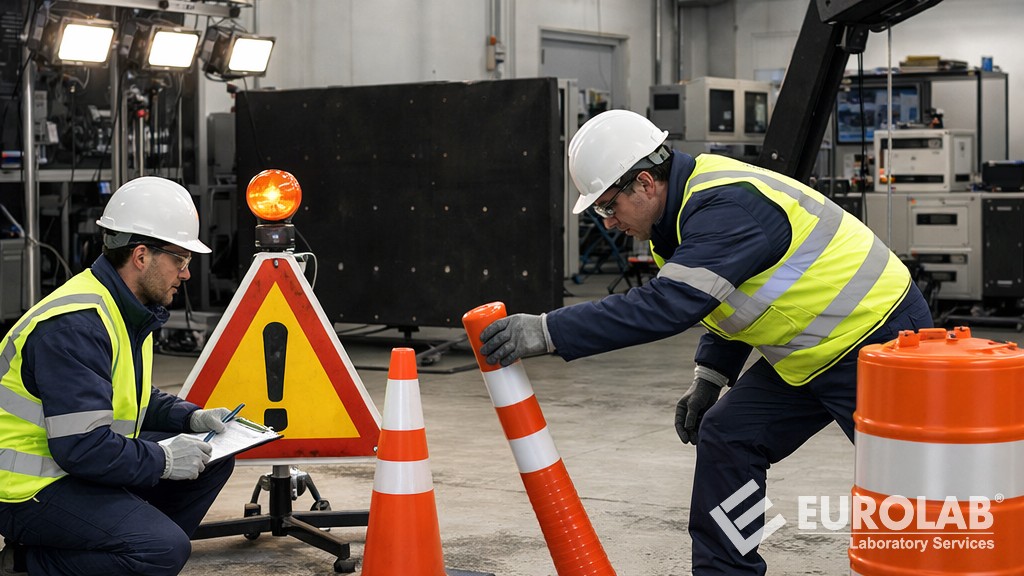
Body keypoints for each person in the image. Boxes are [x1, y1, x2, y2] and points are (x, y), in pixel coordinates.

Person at [478, 110, 933, 575]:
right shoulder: (675, 223)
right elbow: (731, 298)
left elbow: (669, 305)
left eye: (608, 206)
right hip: (811, 351)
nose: (609, 222)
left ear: (645, 183)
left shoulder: (726, 207)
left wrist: (548, 331)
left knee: (913, 483)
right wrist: (710, 376)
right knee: (728, 435)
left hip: (878, 337)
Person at [0, 177, 237, 575]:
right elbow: (83, 447)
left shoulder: (124, 308)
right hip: (26, 488)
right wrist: (163, 459)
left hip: (71, 464)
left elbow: (130, 394)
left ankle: (121, 545)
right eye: (180, 260)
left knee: (208, 458)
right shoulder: (76, 326)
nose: (186, 274)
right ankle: (25, 563)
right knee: (162, 550)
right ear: (141, 256)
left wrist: (191, 418)